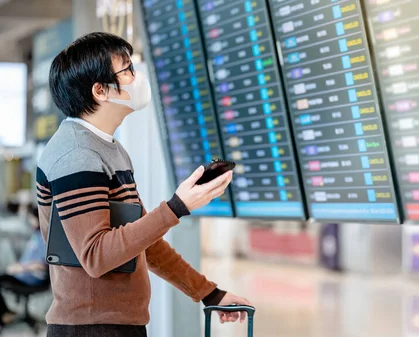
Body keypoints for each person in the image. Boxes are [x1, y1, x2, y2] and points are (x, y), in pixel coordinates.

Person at [36, 32, 251, 337]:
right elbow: (96, 256)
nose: (137, 79)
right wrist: (177, 207)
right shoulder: (76, 154)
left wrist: (208, 293)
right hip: (90, 330)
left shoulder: (110, 150)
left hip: (119, 327)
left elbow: (144, 245)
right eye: (127, 71)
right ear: (100, 90)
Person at [0, 205, 48, 329]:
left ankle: (6, 312)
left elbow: (42, 265)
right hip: (22, 274)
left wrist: (21, 267)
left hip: (33, 278)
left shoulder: (44, 238)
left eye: (31, 218)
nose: (30, 221)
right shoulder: (35, 235)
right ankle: (6, 311)